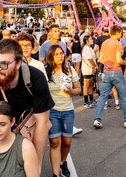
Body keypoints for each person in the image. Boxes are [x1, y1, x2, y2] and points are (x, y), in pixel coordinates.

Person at [0, 39, 54, 170]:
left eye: (4, 64)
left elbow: (42, 123)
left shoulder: (35, 78)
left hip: (24, 144)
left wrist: (37, 163)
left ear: (18, 63)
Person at [45, 45, 80, 177]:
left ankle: (63, 161)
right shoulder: (46, 72)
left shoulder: (69, 70)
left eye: (61, 53)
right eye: (57, 54)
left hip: (68, 110)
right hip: (52, 111)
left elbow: (78, 89)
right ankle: (55, 173)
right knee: (54, 142)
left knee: (66, 142)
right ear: (51, 57)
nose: (60, 56)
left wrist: (71, 91)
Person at [93, 25, 126, 129]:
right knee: (123, 97)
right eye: (120, 33)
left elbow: (100, 59)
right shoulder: (118, 43)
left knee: (103, 96)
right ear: (117, 33)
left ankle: (97, 119)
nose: (121, 35)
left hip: (106, 72)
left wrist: (108, 64)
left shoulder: (104, 43)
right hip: (116, 72)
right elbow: (118, 60)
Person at [81, 35, 98, 108]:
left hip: (91, 69)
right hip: (87, 69)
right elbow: (90, 59)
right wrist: (95, 66)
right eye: (90, 39)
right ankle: (86, 102)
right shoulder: (86, 48)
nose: (92, 40)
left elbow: (93, 59)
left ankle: (91, 100)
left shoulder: (89, 48)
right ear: (86, 41)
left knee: (91, 85)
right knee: (86, 85)